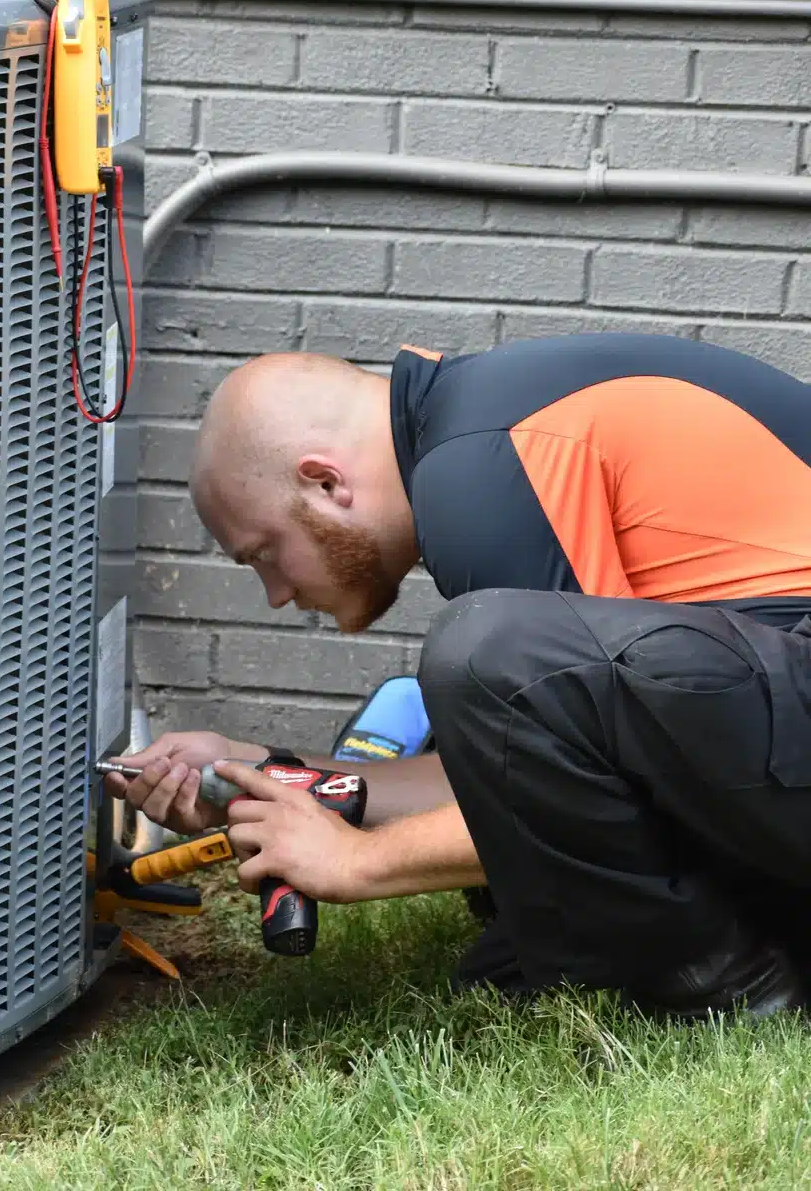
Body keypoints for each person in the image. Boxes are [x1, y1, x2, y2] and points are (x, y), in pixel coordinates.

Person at [106, 333, 811, 1017]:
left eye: (263, 554)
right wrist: (264, 770)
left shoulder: (482, 467)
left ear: (324, 482)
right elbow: (539, 779)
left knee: (482, 650)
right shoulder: (476, 433)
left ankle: (741, 994)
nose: (277, 595)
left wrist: (359, 862)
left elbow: (553, 783)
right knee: (508, 970)